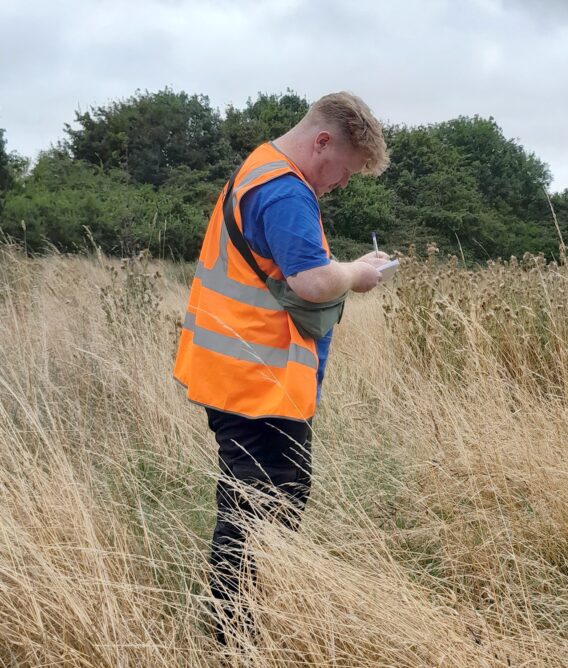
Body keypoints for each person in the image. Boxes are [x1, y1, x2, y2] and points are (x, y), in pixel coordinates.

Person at [173, 92, 390, 644]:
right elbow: (313, 282)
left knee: (264, 502)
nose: (340, 184)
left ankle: (241, 624)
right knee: (256, 510)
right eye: (343, 170)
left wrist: (342, 268)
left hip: (247, 375)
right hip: (255, 381)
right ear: (321, 141)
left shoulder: (258, 168)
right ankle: (231, 639)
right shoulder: (286, 190)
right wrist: (357, 275)